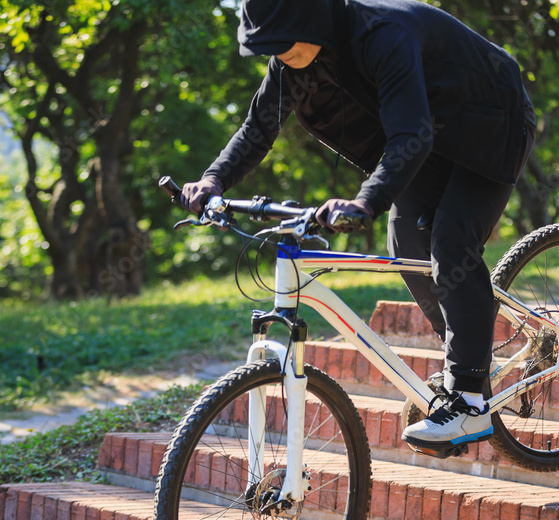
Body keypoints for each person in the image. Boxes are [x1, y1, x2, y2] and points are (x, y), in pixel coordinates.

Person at [181, 0, 536, 454]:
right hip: (433, 138)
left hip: (490, 121)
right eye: (269, 46)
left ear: (309, 18)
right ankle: (466, 361)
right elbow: (258, 129)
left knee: (451, 241)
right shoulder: (296, 60)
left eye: (282, 41)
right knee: (405, 244)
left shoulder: (382, 35)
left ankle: (468, 398)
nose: (279, 53)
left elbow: (412, 135)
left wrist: (366, 200)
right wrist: (212, 181)